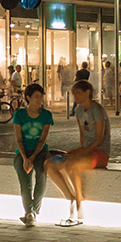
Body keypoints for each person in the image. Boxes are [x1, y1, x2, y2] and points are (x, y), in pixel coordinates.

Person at [46, 80, 108, 227]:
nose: (75, 96)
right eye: (74, 94)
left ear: (88, 92)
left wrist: (80, 154)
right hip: (85, 150)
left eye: (78, 93)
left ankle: (79, 203)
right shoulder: (79, 111)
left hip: (99, 153)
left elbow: (99, 139)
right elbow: (82, 136)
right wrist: (78, 151)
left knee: (71, 164)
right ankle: (70, 197)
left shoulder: (97, 110)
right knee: (50, 164)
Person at [10, 83, 53, 227]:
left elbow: (42, 139)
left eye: (41, 96)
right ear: (28, 98)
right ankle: (29, 213)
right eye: (36, 97)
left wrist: (33, 157)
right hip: (23, 152)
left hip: (40, 152)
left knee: (41, 176)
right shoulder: (19, 115)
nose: (40, 99)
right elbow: (18, 139)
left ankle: (33, 212)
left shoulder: (46, 115)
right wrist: (24, 158)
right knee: (25, 182)